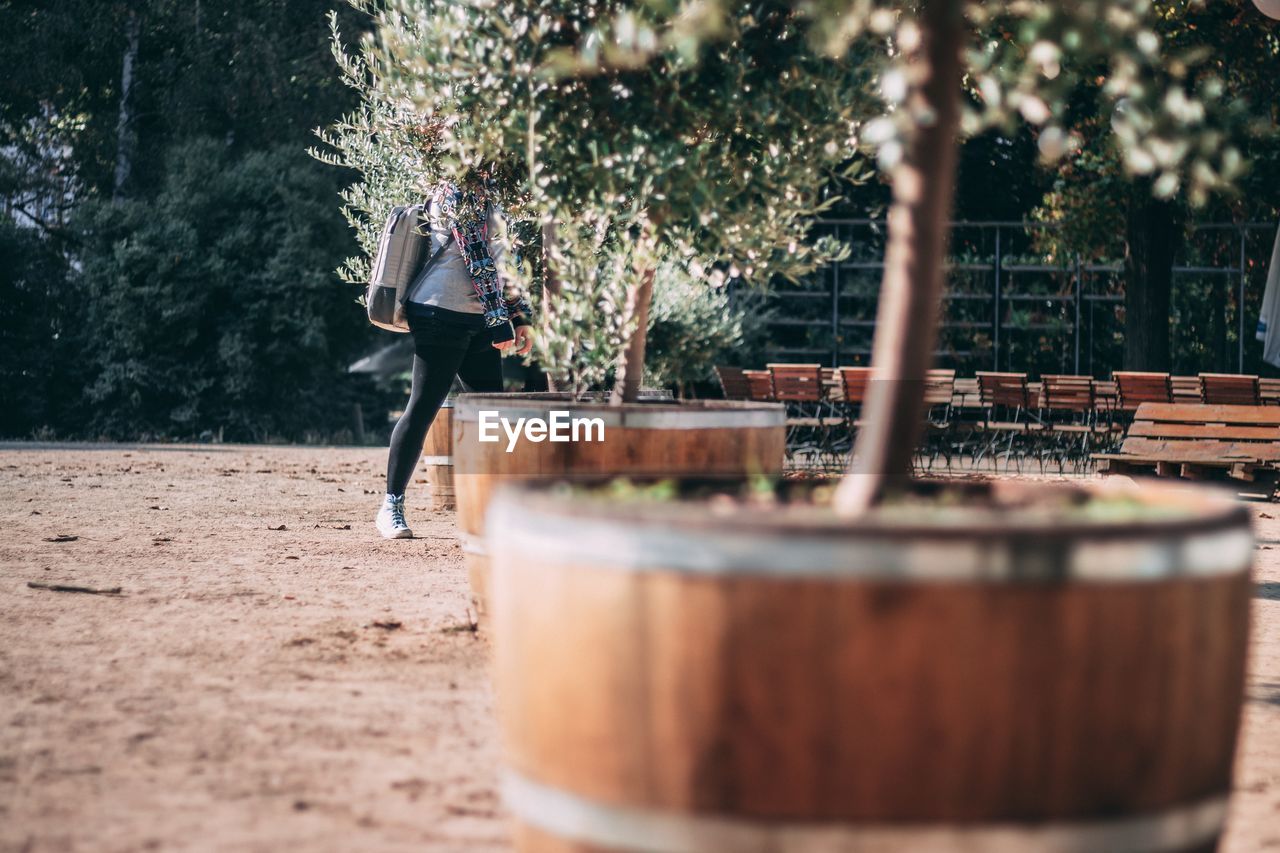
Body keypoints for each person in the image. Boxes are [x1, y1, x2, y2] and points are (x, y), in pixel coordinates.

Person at [376, 178, 534, 539]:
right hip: (438, 314)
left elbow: (506, 259)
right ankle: (391, 506)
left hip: (479, 318)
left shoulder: (495, 193)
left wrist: (519, 317)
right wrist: (501, 324)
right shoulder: (453, 192)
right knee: (423, 408)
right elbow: (477, 256)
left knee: (492, 416)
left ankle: (497, 510)